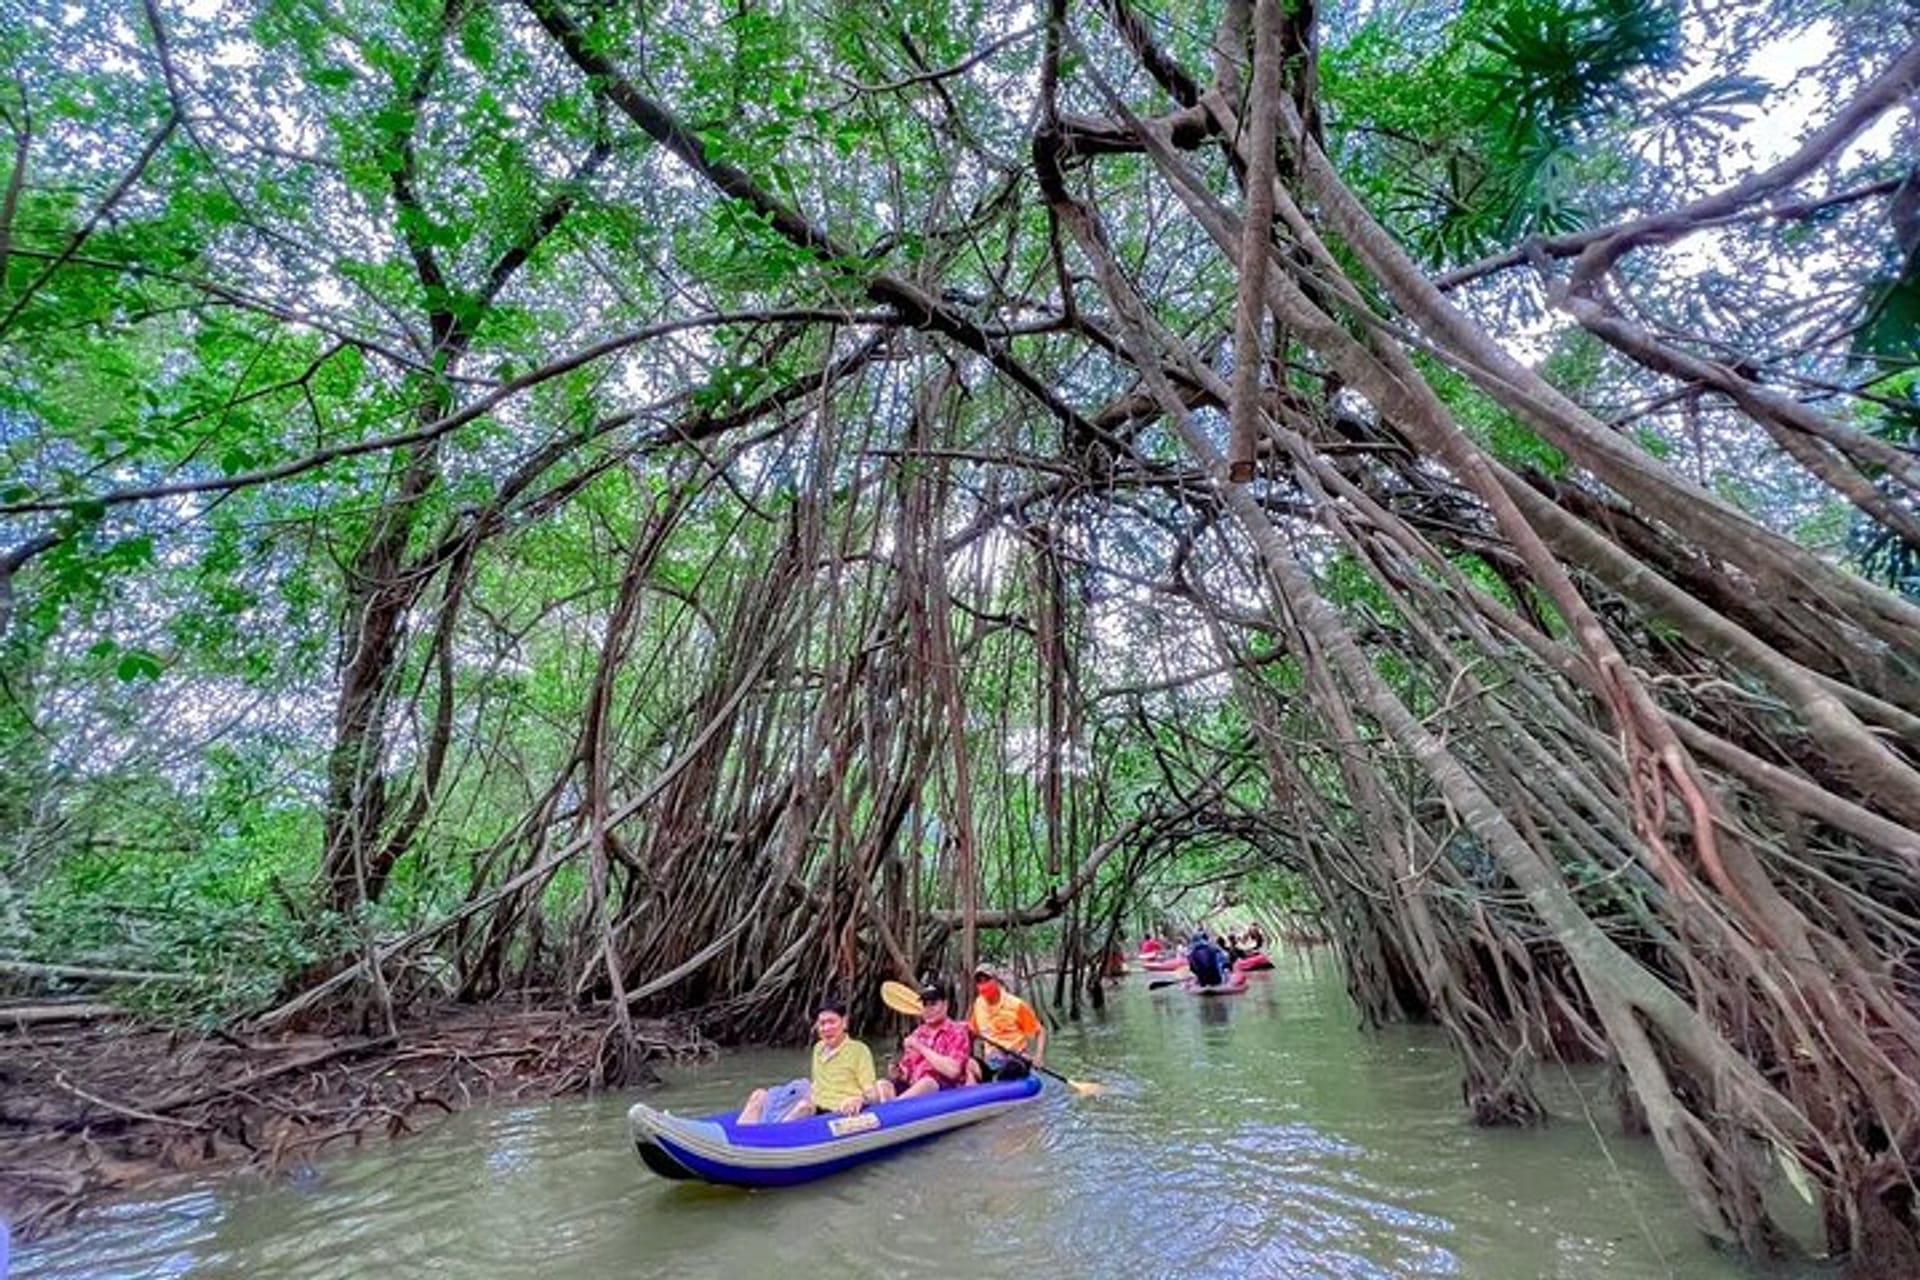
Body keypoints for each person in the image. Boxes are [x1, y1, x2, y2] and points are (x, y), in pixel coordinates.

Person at [738, 996, 881, 1123]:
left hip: (836, 1110)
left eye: (831, 1022)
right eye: (822, 1023)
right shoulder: (818, 1048)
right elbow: (817, 1084)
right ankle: (739, 1138)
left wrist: (859, 1099)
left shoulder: (859, 1050)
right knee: (759, 1094)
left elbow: (872, 1094)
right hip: (814, 1098)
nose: (826, 1028)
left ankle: (772, 1137)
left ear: (844, 1023)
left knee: (804, 1107)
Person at [889, 980, 977, 1098]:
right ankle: (879, 1111)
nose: (928, 1009)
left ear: (945, 1005)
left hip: (944, 1090)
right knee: (882, 1084)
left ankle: (894, 1108)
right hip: (915, 1088)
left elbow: (953, 1071)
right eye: (925, 1004)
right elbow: (907, 1073)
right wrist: (898, 1073)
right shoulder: (917, 1034)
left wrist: (920, 1047)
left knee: (927, 1082)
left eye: (933, 1003)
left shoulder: (957, 1032)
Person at [969, 964, 1046, 1080]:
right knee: (969, 1063)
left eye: (987, 980)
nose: (983, 986)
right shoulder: (978, 1004)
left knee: (1011, 1067)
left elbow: (1040, 1032)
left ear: (996, 980)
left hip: (1016, 1059)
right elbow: (972, 1033)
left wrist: (1038, 1056)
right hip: (992, 1061)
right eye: (979, 982)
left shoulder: (1016, 1005)